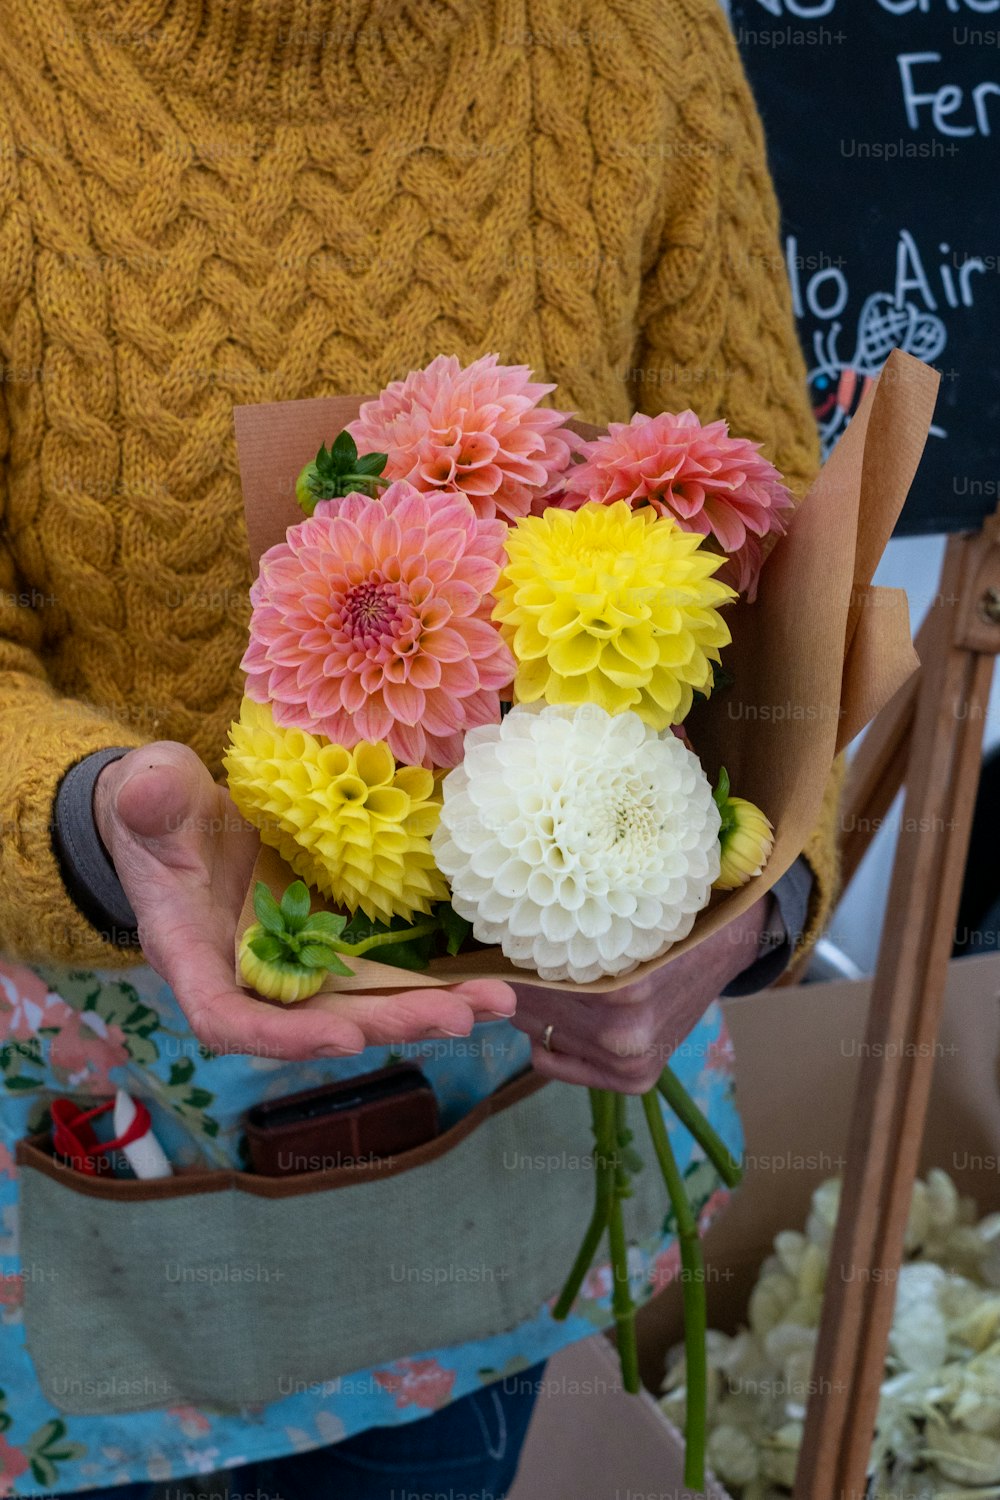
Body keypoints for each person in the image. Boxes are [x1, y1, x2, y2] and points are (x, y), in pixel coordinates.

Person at [0, 0, 840, 1495]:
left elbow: (767, 563)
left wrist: (766, 898)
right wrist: (84, 820)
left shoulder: (635, 36)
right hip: (84, 1105)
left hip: (504, 1120)